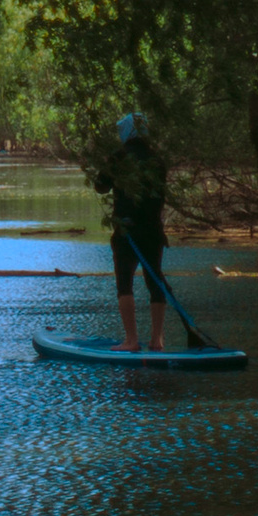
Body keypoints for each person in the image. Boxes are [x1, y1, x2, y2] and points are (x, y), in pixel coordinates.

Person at [90, 110, 172, 351]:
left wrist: (104, 165)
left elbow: (100, 186)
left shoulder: (119, 157)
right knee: (154, 279)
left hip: (127, 232)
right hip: (153, 231)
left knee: (124, 282)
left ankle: (131, 340)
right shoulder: (157, 159)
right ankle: (157, 340)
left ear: (126, 132)